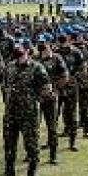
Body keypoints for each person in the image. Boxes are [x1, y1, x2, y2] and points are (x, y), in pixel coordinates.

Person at [1, 39, 51, 176]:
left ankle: (32, 172)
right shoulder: (9, 67)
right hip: (11, 112)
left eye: (21, 48)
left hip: (28, 113)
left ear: (28, 50)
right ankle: (9, 171)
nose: (17, 50)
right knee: (9, 143)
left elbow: (46, 88)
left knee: (31, 143)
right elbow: (5, 85)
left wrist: (35, 100)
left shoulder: (37, 68)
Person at [35, 33, 69, 165]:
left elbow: (64, 75)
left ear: (49, 43)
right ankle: (32, 153)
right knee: (34, 126)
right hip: (37, 99)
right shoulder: (35, 58)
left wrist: (55, 89)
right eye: (39, 42)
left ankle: (53, 155)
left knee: (52, 126)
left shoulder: (56, 58)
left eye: (43, 42)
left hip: (50, 98)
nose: (41, 45)